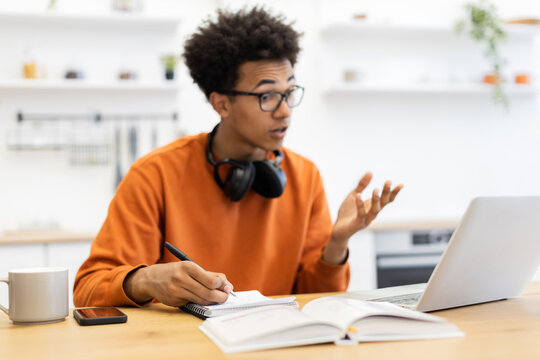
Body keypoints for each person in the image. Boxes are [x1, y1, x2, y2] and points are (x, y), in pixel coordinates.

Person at [73, 7, 402, 308]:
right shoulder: (155, 173)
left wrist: (337, 242)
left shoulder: (305, 176)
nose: (285, 110)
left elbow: (318, 298)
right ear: (222, 104)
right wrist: (146, 279)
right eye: (267, 96)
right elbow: (88, 288)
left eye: (288, 92)